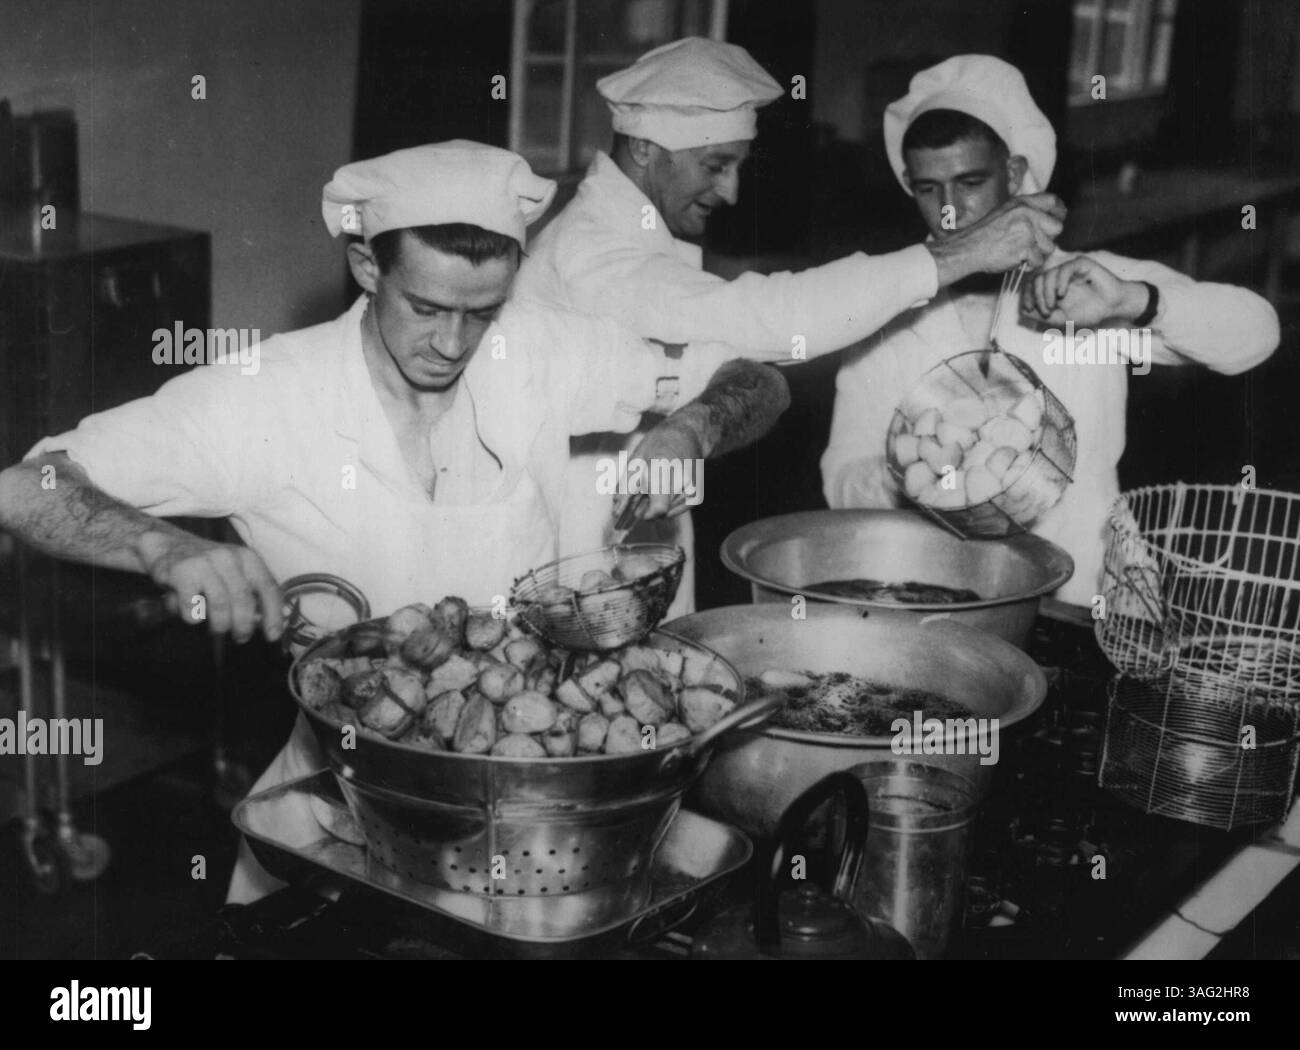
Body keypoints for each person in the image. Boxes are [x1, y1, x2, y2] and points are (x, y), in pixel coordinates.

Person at [0, 140, 790, 902]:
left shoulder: (539, 351)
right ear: (367, 265)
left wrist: (692, 429)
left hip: (539, 821)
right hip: (342, 820)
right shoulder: (268, 395)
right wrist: (160, 545)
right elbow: (25, 486)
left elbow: (754, 374)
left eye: (482, 311)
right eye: (426, 306)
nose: (452, 343)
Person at [515, 37, 1068, 615]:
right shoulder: (591, 255)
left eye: (736, 166)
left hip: (633, 566)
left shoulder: (641, 237)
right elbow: (767, 317)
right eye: (715, 165)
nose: (730, 191)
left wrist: (699, 420)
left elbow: (745, 344)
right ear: (647, 149)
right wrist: (957, 255)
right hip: (573, 582)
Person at [820, 55, 1280, 605]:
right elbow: (841, 476)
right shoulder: (887, 308)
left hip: (1086, 592)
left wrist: (1132, 301)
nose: (949, 213)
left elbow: (1256, 334)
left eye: (970, 182)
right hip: (939, 590)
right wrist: (913, 475)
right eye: (928, 189)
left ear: (1014, 174)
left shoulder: (1086, 286)